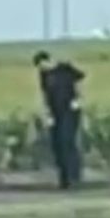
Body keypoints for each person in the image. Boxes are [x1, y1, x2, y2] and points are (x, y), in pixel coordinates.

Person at [33, 50, 85, 189]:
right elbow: (45, 94)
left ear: (46, 61)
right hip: (55, 112)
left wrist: (78, 99)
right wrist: (47, 114)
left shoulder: (64, 68)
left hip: (70, 109)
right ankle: (64, 178)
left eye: (42, 64)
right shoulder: (44, 75)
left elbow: (79, 80)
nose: (41, 68)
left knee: (67, 141)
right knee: (57, 145)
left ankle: (74, 176)